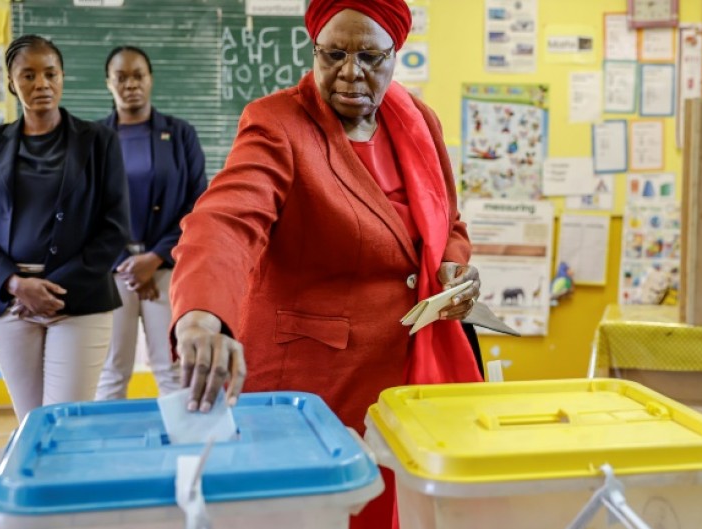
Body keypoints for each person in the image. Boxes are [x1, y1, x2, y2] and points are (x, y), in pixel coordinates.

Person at [169, 2, 481, 527]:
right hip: (315, 380)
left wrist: (453, 266)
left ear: (395, 54)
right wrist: (201, 315)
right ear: (314, 48)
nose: (350, 72)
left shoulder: (417, 121)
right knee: (317, 511)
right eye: (333, 54)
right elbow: (225, 219)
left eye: (370, 56)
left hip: (406, 374)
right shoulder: (278, 124)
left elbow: (448, 222)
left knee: (395, 509)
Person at [0, 35, 130, 422]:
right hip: (8, 303)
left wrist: (52, 290)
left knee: (65, 423)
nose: (41, 84)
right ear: (11, 83)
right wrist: (15, 285)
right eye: (28, 75)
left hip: (79, 302)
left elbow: (115, 227)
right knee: (31, 423)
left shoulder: (99, 141)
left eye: (50, 73)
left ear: (63, 76)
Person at [95, 46, 207, 400]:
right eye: (121, 77)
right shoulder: (92, 139)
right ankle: (108, 452)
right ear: (108, 83)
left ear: (151, 79)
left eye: (138, 75)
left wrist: (154, 258)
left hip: (167, 268)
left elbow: (198, 204)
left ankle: (185, 451)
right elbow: (83, 210)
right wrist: (126, 265)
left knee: (173, 367)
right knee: (110, 371)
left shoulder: (180, 134)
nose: (131, 85)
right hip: (112, 272)